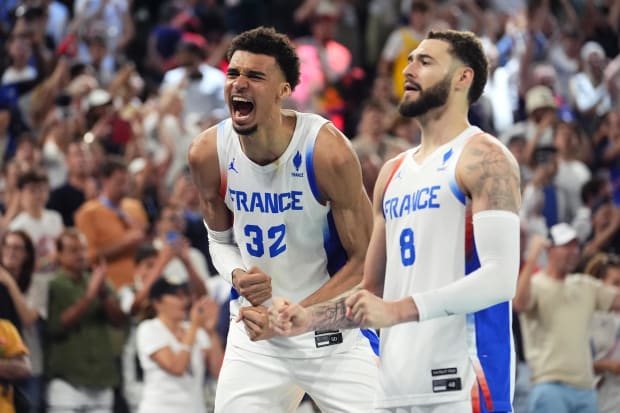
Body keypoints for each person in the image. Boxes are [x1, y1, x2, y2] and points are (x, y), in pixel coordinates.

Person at [270, 29, 522, 413]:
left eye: (425, 61)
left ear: (463, 77)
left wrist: (397, 309)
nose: (409, 68)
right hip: (394, 387)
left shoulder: (484, 157)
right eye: (410, 60)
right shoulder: (392, 172)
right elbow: (371, 293)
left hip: (465, 382)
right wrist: (306, 318)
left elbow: (501, 279)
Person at [187, 26, 379, 412]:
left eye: (255, 76)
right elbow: (220, 240)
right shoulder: (208, 152)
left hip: (332, 330)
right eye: (233, 73)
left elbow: (366, 260)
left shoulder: (326, 152)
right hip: (258, 338)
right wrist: (236, 276)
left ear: (284, 89)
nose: (239, 84)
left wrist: (300, 316)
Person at [513, 223, 620, 413]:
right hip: (550, 386)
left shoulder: (585, 286)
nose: (572, 252)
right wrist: (532, 257)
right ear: (550, 249)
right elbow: (519, 304)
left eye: (575, 246)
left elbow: (616, 300)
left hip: (586, 389)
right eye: (566, 246)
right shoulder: (536, 285)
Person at [45, 228, 126, 413]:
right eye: (73, 250)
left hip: (101, 379)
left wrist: (103, 293)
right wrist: (90, 295)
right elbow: (57, 326)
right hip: (67, 382)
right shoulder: (55, 284)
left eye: (83, 249)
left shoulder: (100, 282)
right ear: (59, 255)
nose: (81, 255)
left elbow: (119, 321)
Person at [135, 278, 223, 413]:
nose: (184, 301)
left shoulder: (194, 330)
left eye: (184, 296)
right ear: (157, 303)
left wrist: (211, 332)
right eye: (176, 296)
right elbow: (176, 367)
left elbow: (217, 371)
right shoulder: (149, 329)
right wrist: (194, 326)